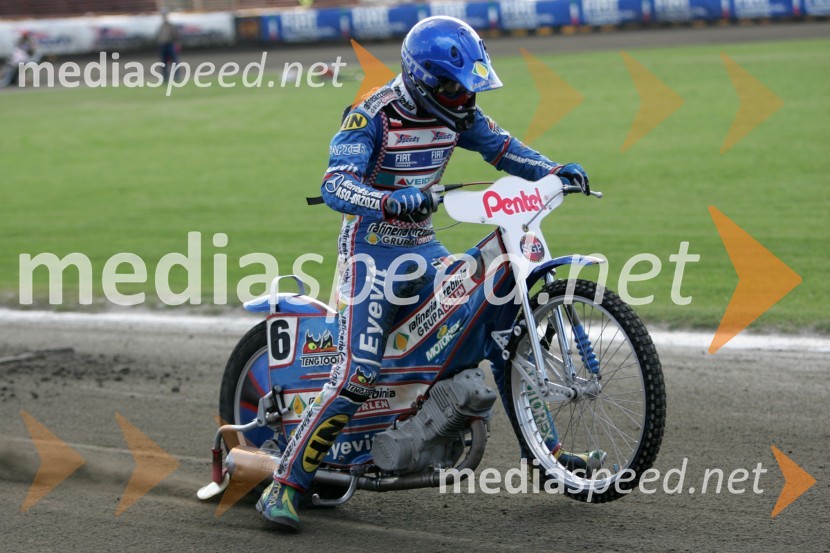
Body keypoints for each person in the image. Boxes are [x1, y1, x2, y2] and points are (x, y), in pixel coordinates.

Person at [257, 16, 594, 532]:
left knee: (499, 327)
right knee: (357, 375)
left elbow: (503, 149)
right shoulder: (371, 114)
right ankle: (284, 485)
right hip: (370, 256)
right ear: (424, 81)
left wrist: (552, 171)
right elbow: (335, 185)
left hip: (425, 248)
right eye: (455, 89)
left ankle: (548, 455)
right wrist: (387, 201)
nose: (465, 99)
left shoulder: (458, 113)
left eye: (470, 89)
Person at [156, 10, 179, 82]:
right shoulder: (161, 26)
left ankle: (176, 77)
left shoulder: (171, 26)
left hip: (169, 44)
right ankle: (165, 78)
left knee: (174, 62)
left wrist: (175, 43)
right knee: (163, 63)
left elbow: (176, 35)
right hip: (162, 45)